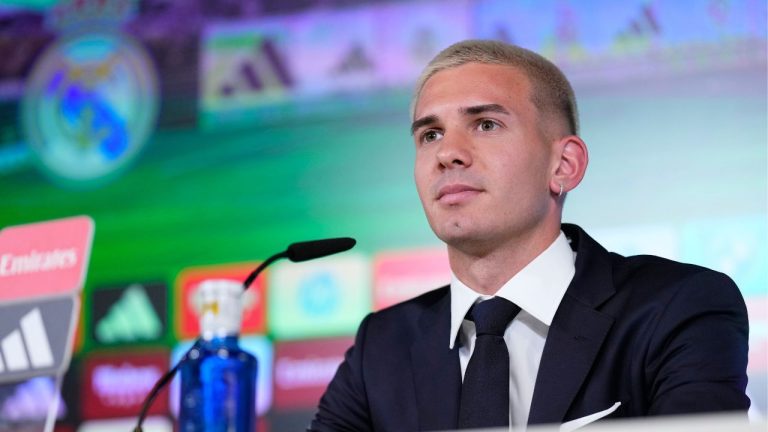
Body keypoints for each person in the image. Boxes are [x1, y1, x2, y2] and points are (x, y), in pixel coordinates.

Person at [309, 40, 750, 431]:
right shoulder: (382, 345)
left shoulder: (680, 306)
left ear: (564, 166)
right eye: (430, 134)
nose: (447, 153)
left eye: (485, 124)